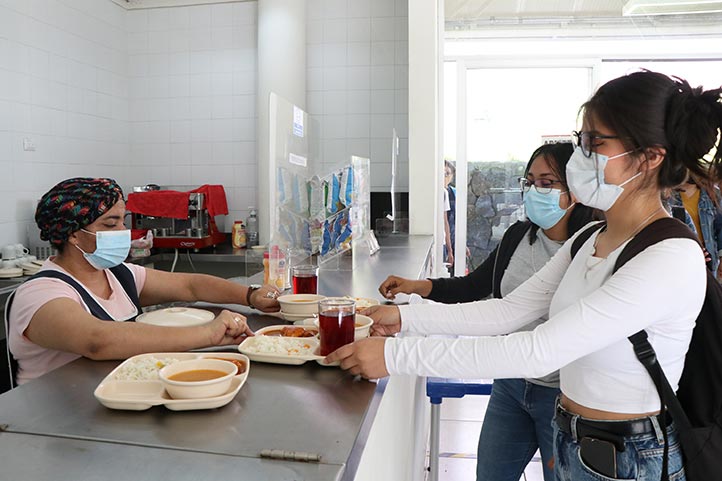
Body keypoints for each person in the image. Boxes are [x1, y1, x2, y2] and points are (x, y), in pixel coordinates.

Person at [328, 71, 722, 480]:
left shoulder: (670, 256)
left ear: (649, 157)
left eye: (594, 143)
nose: (579, 157)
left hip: (631, 458)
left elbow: (539, 350)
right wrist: (407, 317)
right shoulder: (589, 236)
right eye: (580, 140)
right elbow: (508, 311)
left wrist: (396, 356)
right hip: (574, 436)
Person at [380, 142, 600, 481]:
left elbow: (543, 343)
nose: (534, 191)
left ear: (575, 191)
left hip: (561, 397)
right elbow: (478, 291)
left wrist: (395, 352)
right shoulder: (518, 237)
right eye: (529, 182)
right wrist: (416, 287)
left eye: (546, 183)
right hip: (511, 385)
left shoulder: (589, 250)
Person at [7, 177, 281, 385]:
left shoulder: (118, 274)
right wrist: (208, 334)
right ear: (72, 234)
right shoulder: (40, 293)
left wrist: (250, 295)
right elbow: (96, 341)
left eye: (122, 222)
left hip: (117, 396)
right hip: (52, 423)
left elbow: (190, 286)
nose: (123, 232)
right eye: (110, 224)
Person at [668, 172, 722, 277]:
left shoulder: (712, 193)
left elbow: (720, 227)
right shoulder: (667, 194)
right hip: (681, 257)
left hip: (709, 258)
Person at [443, 160, 456, 272]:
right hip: (444, 240)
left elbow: (456, 221)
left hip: (453, 237)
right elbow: (444, 221)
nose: (444, 177)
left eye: (447, 174)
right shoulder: (441, 193)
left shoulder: (454, 193)